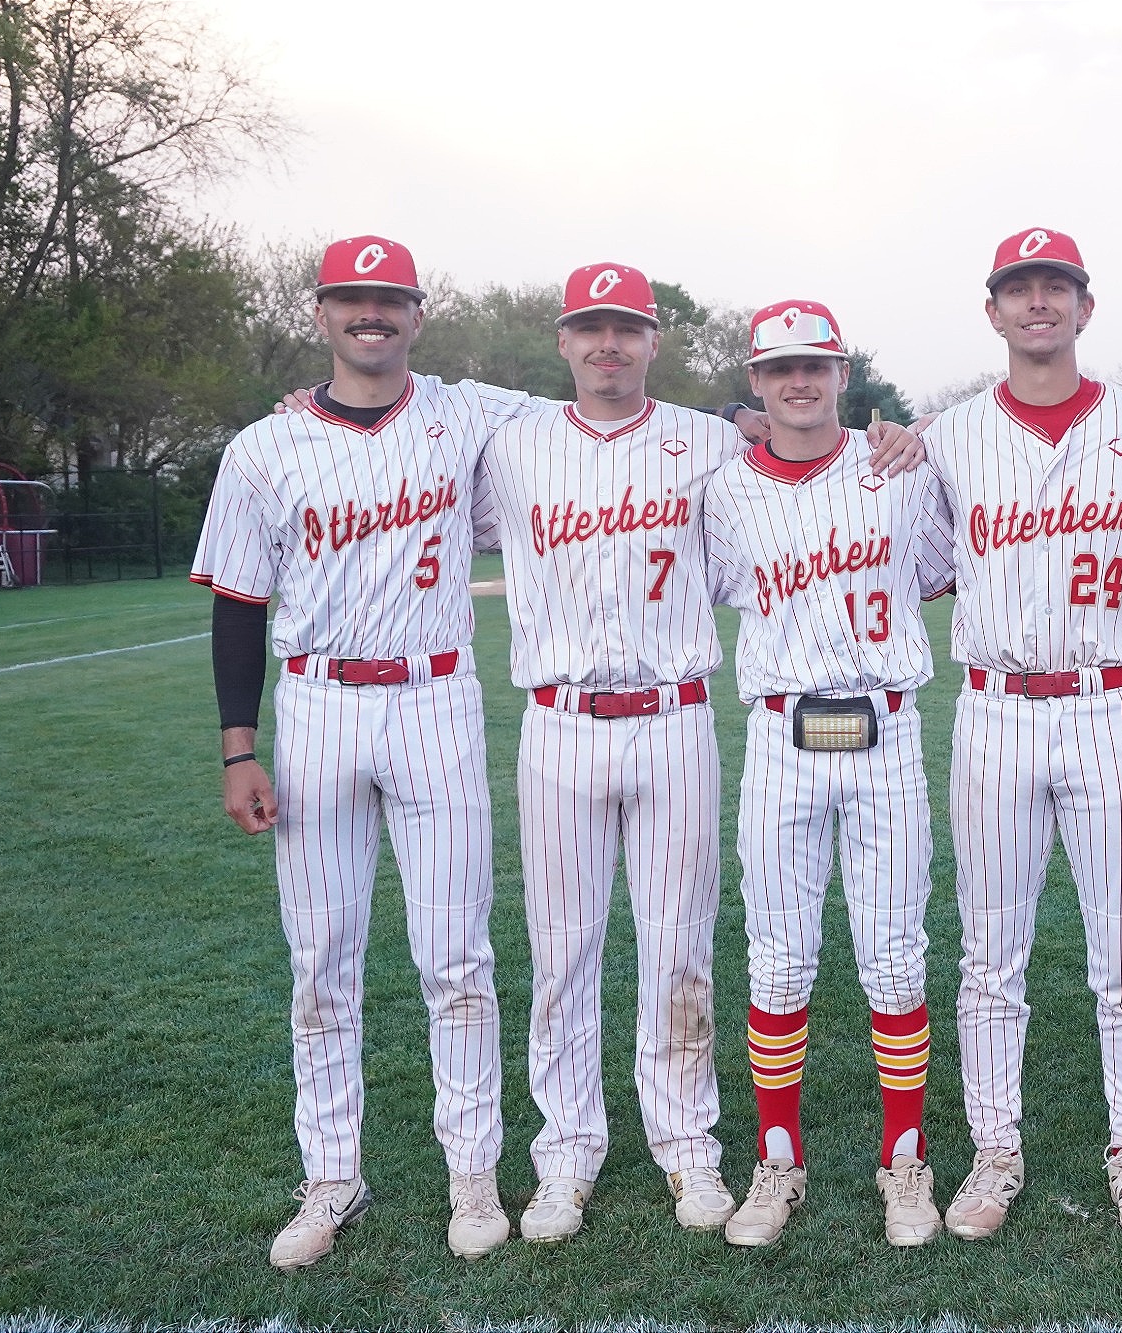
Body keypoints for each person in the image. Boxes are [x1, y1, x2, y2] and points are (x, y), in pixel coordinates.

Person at [193, 235, 532, 1270]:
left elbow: (602, 427)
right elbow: (241, 608)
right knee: (321, 965)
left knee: (457, 957)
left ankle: (471, 1170)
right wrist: (236, 749)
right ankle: (332, 1171)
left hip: (434, 697)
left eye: (389, 300)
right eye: (351, 299)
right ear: (321, 312)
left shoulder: (471, 409)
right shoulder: (263, 445)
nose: (370, 316)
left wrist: (752, 420)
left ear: (417, 315)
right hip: (321, 707)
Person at [920, 229, 1122, 1243]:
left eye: (1056, 288)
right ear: (991, 312)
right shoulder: (947, 438)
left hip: (1108, 704)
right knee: (989, 954)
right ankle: (994, 1149)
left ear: (1085, 308)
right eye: (1018, 289)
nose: (1037, 303)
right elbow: (910, 563)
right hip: (992, 709)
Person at [474, 263, 743, 1241]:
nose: (607, 345)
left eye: (625, 328)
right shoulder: (509, 448)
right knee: (561, 953)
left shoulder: (710, 442)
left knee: (679, 948)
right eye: (589, 328)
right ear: (562, 341)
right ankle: (566, 1148)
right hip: (557, 723)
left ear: (653, 339)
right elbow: (415, 429)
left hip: (673, 718)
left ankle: (685, 1145)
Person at [701, 300, 955, 1248]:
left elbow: (938, 569)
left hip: (884, 729)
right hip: (779, 736)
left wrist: (913, 436)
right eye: (779, 369)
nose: (798, 381)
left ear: (843, 374)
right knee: (778, 955)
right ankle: (778, 1159)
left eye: (816, 365)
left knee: (894, 956)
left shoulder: (897, 468)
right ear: (757, 384)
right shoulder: (723, 492)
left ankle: (905, 1160)